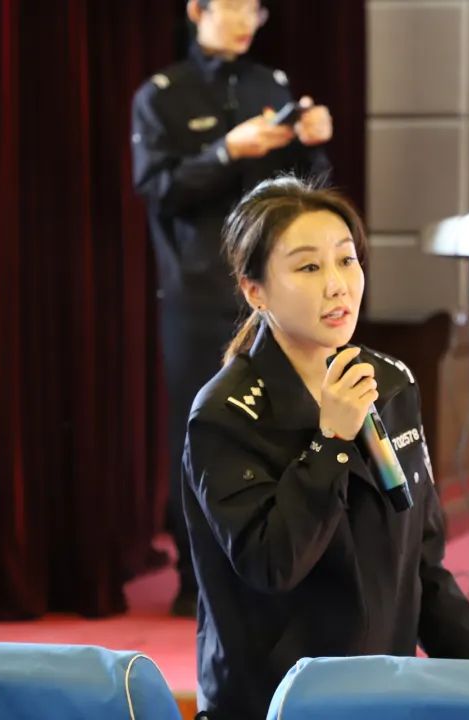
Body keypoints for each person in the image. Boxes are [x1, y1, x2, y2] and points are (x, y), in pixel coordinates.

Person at [182, 177, 469, 719]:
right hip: (271, 705)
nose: (337, 285)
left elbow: (423, 563)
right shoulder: (225, 415)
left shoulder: (389, 383)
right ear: (255, 291)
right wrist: (331, 443)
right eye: (308, 268)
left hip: (381, 699)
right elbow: (272, 564)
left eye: (347, 261)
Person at [131, 0, 333, 616]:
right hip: (198, 294)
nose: (247, 19)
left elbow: (303, 191)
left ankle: (282, 566)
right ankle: (196, 581)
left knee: (285, 421)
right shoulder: (162, 94)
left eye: (256, 9)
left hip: (273, 292)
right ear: (198, 9)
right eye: (234, 6)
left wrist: (313, 145)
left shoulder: (269, 85)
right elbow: (156, 188)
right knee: (198, 429)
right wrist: (225, 152)